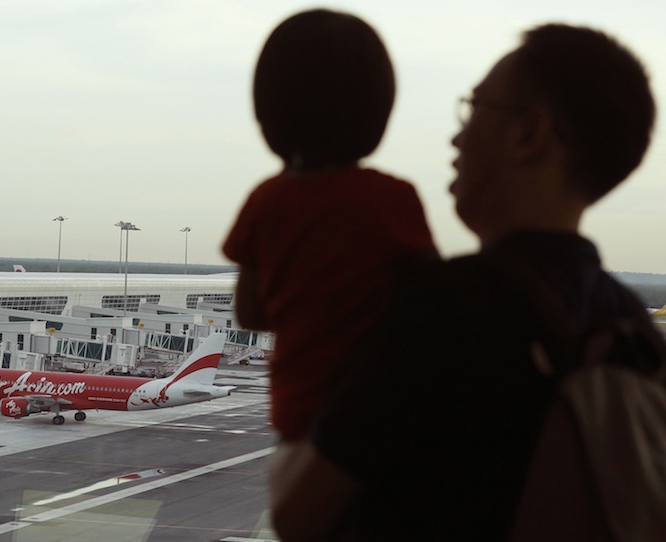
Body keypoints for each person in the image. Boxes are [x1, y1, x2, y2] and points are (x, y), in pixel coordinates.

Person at [269, 23, 663, 540]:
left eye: (474, 107)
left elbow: (297, 517)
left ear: (529, 133)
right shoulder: (634, 332)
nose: (457, 135)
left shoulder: (449, 309)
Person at [222, 9, 438, 442]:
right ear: (378, 114)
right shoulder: (395, 198)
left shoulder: (268, 200)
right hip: (381, 412)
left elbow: (249, 313)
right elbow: (430, 299)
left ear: (269, 117)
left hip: (300, 418)